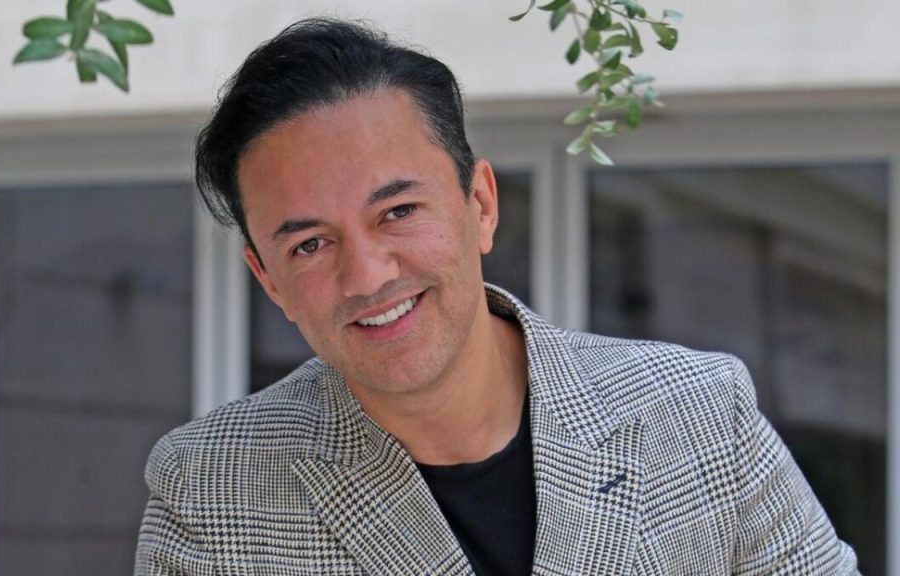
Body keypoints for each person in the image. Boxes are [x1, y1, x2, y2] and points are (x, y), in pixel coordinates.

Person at [135, 18, 859, 575]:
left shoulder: (699, 415)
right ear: (268, 280)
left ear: (480, 204)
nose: (368, 276)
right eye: (309, 245)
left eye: (398, 212)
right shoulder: (211, 489)